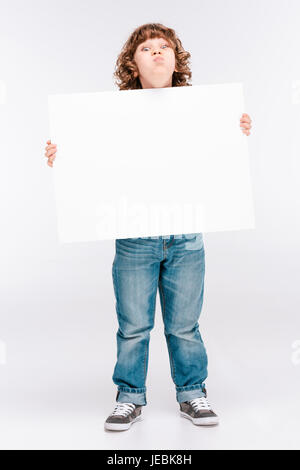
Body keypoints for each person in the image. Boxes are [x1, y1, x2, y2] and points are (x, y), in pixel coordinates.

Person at [44, 23, 252, 431]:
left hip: (186, 235)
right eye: (146, 48)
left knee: (184, 326)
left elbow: (215, 160)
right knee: (134, 326)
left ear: (176, 61)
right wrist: (62, 157)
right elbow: (92, 163)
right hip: (136, 236)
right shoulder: (112, 116)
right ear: (133, 64)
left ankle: (193, 393)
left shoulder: (203, 109)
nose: (157, 52)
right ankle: (129, 397)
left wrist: (236, 132)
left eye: (165, 47)